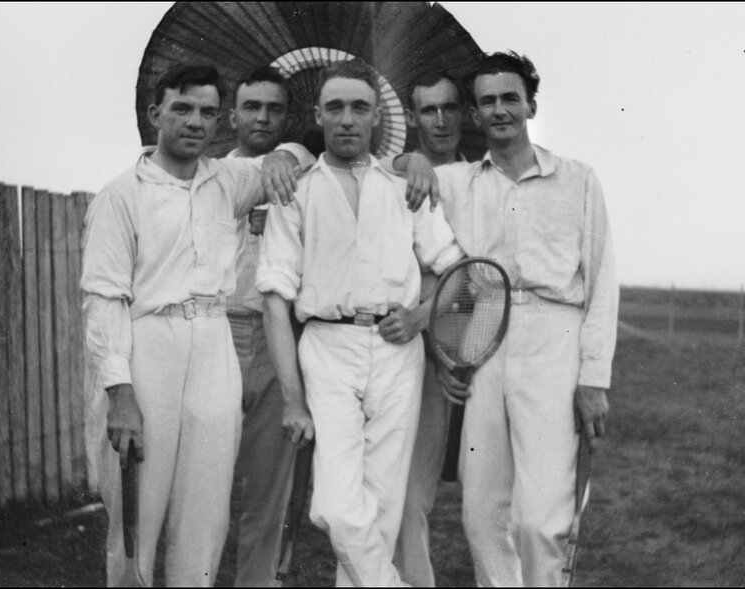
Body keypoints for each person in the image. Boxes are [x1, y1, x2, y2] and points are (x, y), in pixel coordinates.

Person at [81, 64, 312, 587]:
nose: (195, 122)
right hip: (149, 344)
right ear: (155, 113)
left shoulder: (226, 181)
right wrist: (120, 396)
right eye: (182, 109)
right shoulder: (121, 194)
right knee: (138, 511)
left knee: (205, 512)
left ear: (219, 120)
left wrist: (282, 154)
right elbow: (103, 299)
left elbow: (296, 159)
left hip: (213, 342)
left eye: (208, 112)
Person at [398, 51, 618, 587]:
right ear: (475, 115)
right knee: (481, 514)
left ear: (531, 106)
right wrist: (413, 161)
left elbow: (601, 282)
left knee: (540, 519)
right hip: (486, 339)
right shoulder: (457, 182)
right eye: (488, 102)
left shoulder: (578, 180)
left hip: (554, 339)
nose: (500, 110)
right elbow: (392, 176)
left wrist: (594, 377)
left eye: (510, 99)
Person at [256, 59, 465, 587]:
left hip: (398, 351)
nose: (347, 119)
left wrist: (420, 317)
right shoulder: (295, 190)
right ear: (318, 115)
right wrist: (293, 400)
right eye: (335, 108)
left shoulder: (405, 185)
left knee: (383, 508)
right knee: (336, 505)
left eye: (359, 108)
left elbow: (455, 270)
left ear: (376, 117)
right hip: (327, 347)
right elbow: (276, 300)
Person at [223, 65, 301, 588]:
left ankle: (256, 581)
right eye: (251, 107)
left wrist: (284, 156)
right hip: (219, 331)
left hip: (277, 335)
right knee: (206, 479)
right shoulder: (211, 174)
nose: (262, 117)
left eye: (274, 109)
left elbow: (298, 155)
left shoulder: (302, 170)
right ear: (232, 115)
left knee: (269, 484)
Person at [393, 71, 469, 588]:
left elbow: (482, 271)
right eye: (427, 110)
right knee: (407, 493)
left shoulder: (482, 176)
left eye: (449, 108)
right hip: (417, 351)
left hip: (478, 343)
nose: (440, 121)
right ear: (411, 116)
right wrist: (407, 162)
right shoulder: (396, 176)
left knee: (491, 496)